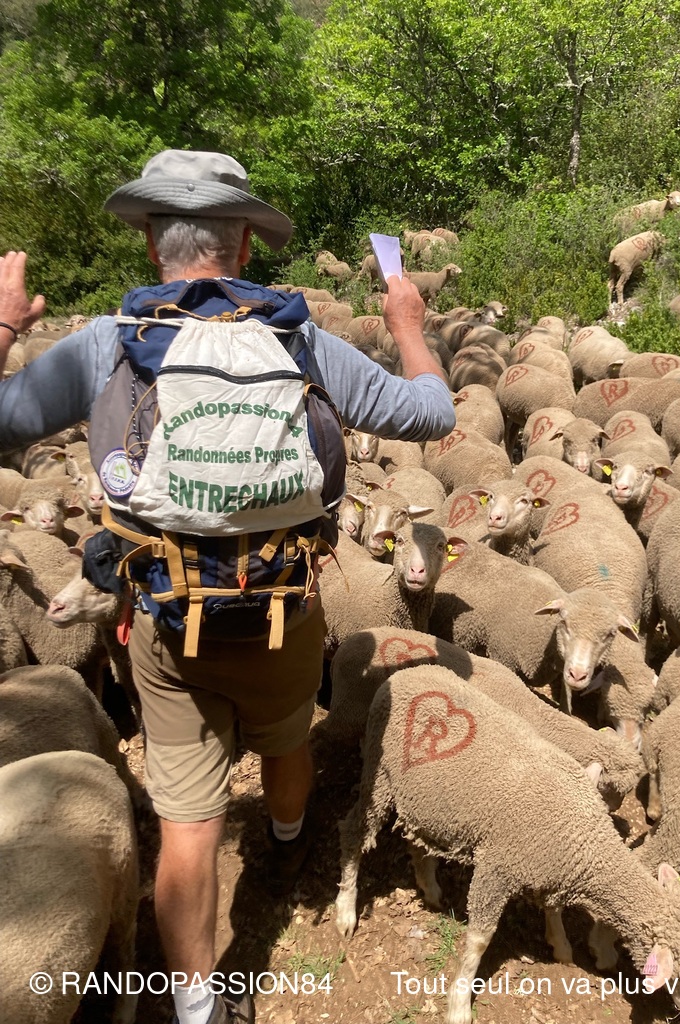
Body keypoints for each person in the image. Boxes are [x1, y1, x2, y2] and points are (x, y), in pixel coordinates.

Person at [0, 151, 455, 1024]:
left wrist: (6, 323)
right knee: (286, 742)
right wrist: (406, 323)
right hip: (287, 611)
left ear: (150, 245)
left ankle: (199, 1009)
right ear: (244, 246)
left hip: (165, 621)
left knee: (187, 820)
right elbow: (433, 413)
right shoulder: (303, 342)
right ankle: (287, 840)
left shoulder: (106, 345)